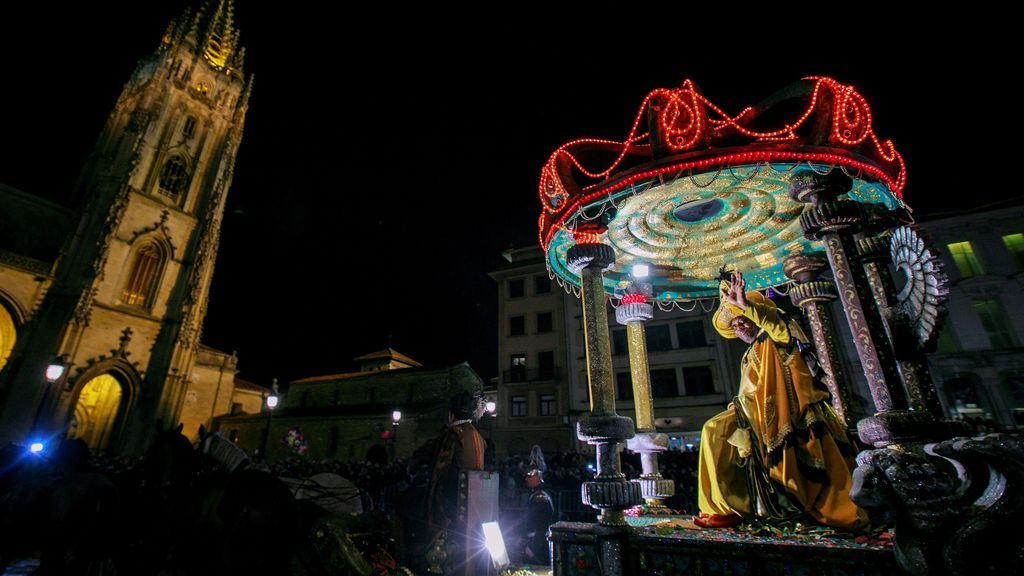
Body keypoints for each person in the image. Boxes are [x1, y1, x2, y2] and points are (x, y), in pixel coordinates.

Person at [695, 270, 867, 529]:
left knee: (714, 430)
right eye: (734, 325)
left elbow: (776, 324)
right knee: (714, 431)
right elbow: (748, 389)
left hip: (785, 410)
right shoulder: (751, 352)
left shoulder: (775, 337)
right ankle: (724, 507)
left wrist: (745, 305)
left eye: (742, 320)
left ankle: (728, 508)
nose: (739, 327)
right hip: (752, 411)